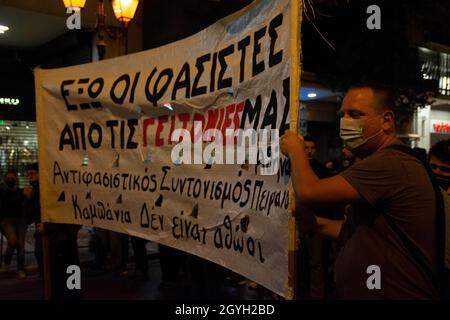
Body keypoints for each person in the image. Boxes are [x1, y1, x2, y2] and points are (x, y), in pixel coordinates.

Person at [281, 83, 439, 299]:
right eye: (342, 114)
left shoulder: (390, 162)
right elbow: (366, 233)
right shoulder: (381, 160)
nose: (345, 121)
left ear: (386, 120)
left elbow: (309, 191)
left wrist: (295, 150)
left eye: (355, 114)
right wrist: (317, 224)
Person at [24, 162, 81, 300]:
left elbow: (63, 213)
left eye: (32, 174)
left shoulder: (56, 189)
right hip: (45, 241)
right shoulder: (35, 192)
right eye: (28, 174)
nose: (29, 177)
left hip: (62, 240)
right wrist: (29, 200)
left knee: (68, 274)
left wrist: (48, 227)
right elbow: (29, 217)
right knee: (49, 276)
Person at [0, 170, 27, 279]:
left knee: (21, 245)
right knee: (13, 241)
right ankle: (6, 263)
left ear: (16, 179)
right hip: (7, 220)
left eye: (13, 177)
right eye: (8, 178)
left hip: (20, 220)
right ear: (5, 179)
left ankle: (20, 269)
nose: (10, 179)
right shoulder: (1, 192)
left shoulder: (21, 192)